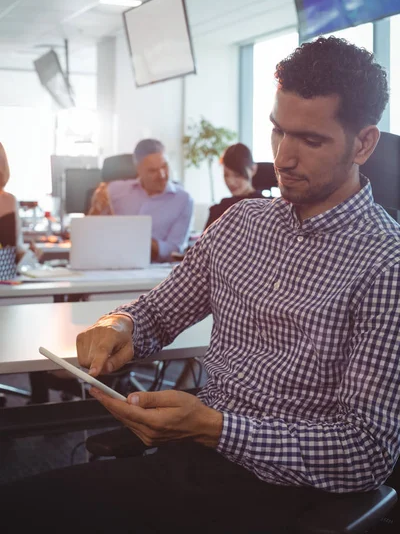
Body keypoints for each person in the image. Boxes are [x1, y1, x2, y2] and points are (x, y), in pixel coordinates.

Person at [2, 37, 400, 533]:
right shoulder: (240, 224)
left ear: (363, 143)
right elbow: (158, 311)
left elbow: (366, 452)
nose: (283, 157)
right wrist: (118, 323)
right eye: (278, 132)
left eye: (311, 140)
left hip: (290, 497)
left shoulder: (385, 262)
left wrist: (214, 427)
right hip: (191, 463)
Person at [88, 138, 193, 262]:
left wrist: (136, 236)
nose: (162, 175)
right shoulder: (113, 190)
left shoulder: (183, 200)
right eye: (152, 171)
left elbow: (175, 250)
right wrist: (97, 208)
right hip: (113, 264)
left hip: (156, 270)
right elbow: (91, 234)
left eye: (164, 167)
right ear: (138, 170)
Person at [204, 142, 264, 229]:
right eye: (226, 175)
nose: (230, 181)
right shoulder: (219, 209)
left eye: (237, 175)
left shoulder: (265, 208)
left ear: (253, 169)